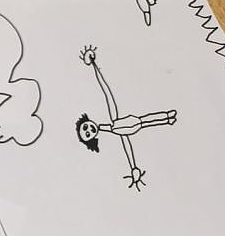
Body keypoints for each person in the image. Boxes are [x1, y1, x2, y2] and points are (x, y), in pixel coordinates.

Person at [74, 45, 177, 191]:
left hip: (129, 122)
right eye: (88, 134)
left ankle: (167, 117)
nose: (90, 129)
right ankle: (167, 119)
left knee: (146, 120)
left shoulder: (113, 120)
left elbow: (106, 91)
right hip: (129, 128)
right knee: (145, 122)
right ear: (93, 138)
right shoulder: (116, 131)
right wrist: (133, 168)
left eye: (86, 127)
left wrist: (94, 66)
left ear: (88, 120)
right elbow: (127, 147)